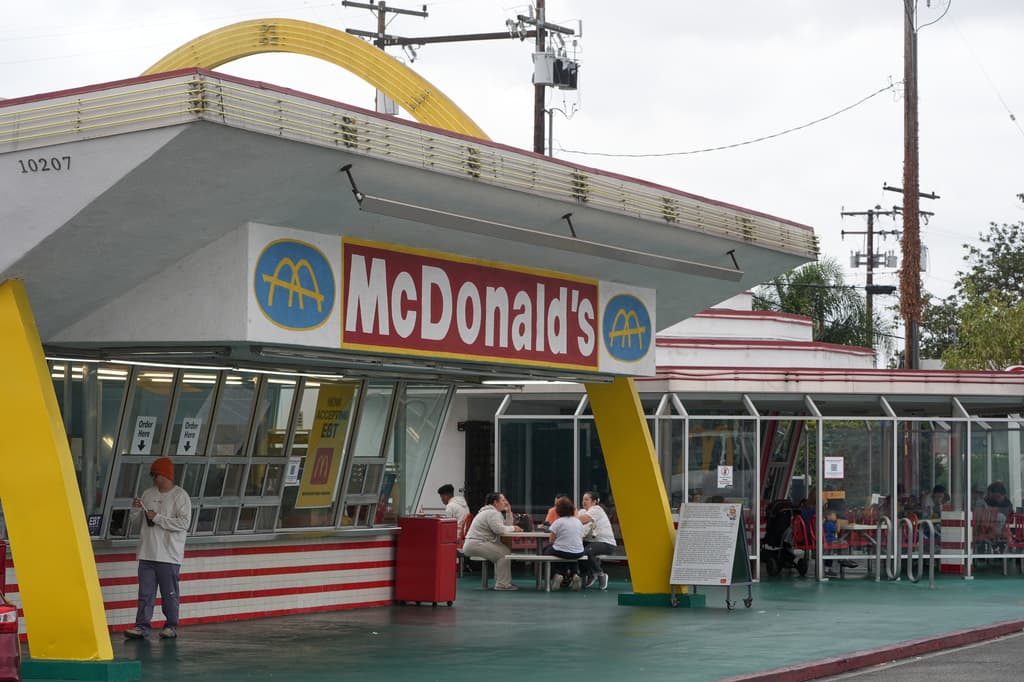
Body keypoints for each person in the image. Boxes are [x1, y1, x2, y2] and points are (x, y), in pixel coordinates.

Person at [124, 457, 192, 640]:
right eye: (152, 475)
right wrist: (136, 510)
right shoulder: (148, 494)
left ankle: (171, 625)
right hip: (147, 553)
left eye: (156, 475)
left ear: (166, 475)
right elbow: (134, 523)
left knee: (169, 594)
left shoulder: (180, 496)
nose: (153, 479)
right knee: (145, 593)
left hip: (169, 555)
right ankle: (142, 626)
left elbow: (184, 523)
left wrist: (157, 518)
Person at [462, 492, 521, 591]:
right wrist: (514, 528)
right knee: (504, 553)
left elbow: (504, 527)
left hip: (474, 543)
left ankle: (503, 582)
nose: (505, 502)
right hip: (476, 543)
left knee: (503, 550)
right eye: (503, 500)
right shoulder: (492, 513)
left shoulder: (491, 512)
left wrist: (509, 512)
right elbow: (500, 530)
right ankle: (502, 584)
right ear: (495, 502)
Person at [544, 496, 585, 591]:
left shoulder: (558, 522)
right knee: (570, 554)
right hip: (579, 551)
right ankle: (575, 573)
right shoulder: (578, 522)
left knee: (547, 551)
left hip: (562, 551)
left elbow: (551, 541)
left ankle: (557, 574)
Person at [577, 490, 615, 590]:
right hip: (593, 542)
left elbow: (583, 520)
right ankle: (588, 574)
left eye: (587, 499)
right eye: (583, 499)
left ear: (594, 502)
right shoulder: (583, 511)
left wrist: (568, 521)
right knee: (576, 550)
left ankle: (601, 574)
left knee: (587, 551)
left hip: (606, 543)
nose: (584, 502)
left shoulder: (596, 509)